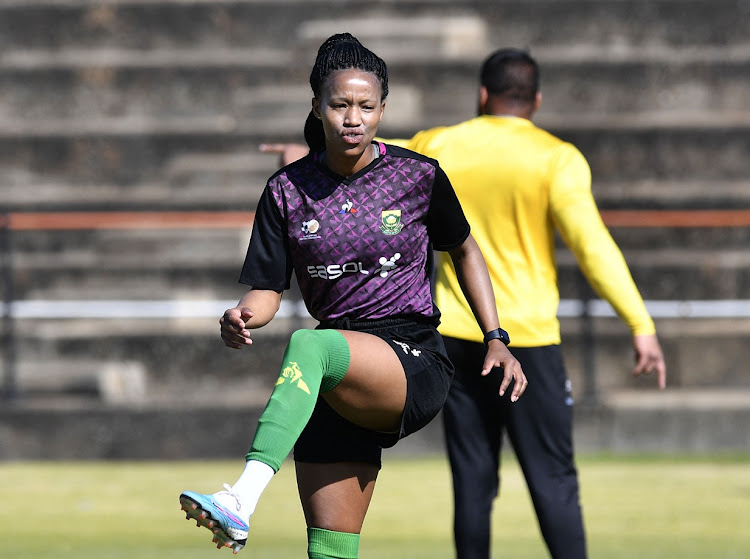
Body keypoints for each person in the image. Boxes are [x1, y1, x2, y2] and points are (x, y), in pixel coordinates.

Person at [261, 48, 667, 559]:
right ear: (536, 100)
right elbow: (593, 246)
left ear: (482, 96)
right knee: (553, 476)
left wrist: (305, 155)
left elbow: (375, 154)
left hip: (453, 333)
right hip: (526, 338)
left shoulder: (441, 145)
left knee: (472, 479)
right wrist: (640, 322)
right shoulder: (556, 157)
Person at [178, 34, 527, 559]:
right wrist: (241, 316)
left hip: (412, 358)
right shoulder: (286, 191)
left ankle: (240, 499)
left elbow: (465, 250)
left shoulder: (417, 176)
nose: (353, 117)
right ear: (317, 108)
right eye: (340, 104)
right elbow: (269, 290)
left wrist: (495, 337)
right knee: (331, 549)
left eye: (366, 106)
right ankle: (245, 506)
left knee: (310, 345)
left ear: (383, 110)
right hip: (333, 373)